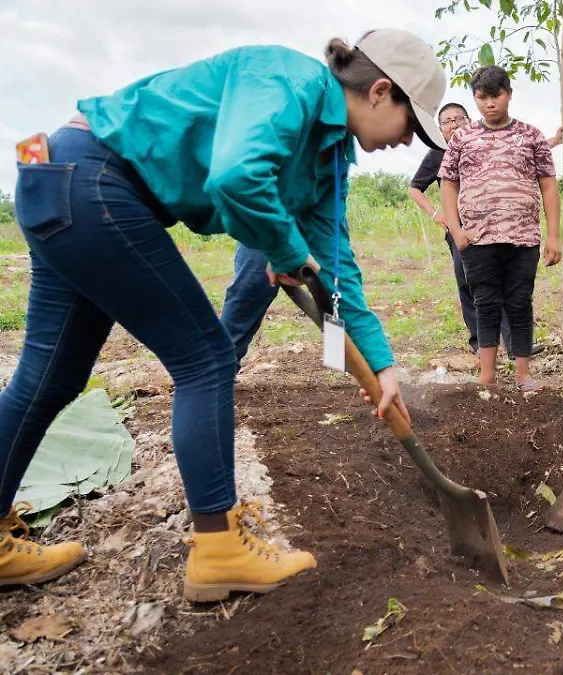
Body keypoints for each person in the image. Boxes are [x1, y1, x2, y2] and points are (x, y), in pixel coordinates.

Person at [1, 29, 448, 600]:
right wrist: (287, 252)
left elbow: (336, 267)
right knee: (207, 356)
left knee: (49, 378)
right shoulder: (290, 79)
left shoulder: (328, 161)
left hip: (60, 180)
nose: (408, 142)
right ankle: (219, 548)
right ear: (381, 91)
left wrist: (380, 364)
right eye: (412, 125)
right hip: (90, 178)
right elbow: (236, 177)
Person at [407, 103, 563, 358]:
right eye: (447, 121)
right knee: (470, 285)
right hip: (460, 231)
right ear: (439, 129)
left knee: (504, 285)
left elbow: (516, 149)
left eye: (459, 118)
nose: (454, 124)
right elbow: (414, 188)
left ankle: (514, 345)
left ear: (470, 120)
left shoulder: (484, 143)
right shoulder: (438, 154)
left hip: (496, 228)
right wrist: (438, 214)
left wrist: (553, 141)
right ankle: (479, 342)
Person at [440, 65, 562, 390]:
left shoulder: (531, 136)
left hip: (523, 238)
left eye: (496, 96)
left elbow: (549, 185)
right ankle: (487, 375)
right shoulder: (462, 138)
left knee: (520, 302)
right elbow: (448, 183)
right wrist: (456, 228)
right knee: (485, 302)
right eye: (482, 98)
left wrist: (553, 235)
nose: (489, 104)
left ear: (509, 93)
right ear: (475, 99)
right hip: (477, 238)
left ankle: (523, 374)